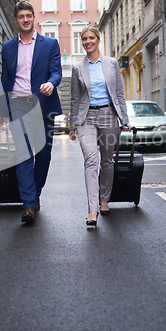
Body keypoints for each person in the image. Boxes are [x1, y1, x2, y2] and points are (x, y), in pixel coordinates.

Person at [0, 1, 62, 223]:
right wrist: (0, 112)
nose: (25, 19)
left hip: (43, 104)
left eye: (29, 15)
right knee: (24, 156)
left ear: (34, 18)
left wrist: (51, 84)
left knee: (43, 155)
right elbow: (5, 80)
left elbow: (56, 72)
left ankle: (35, 193)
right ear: (15, 20)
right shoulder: (7, 47)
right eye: (21, 16)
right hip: (18, 105)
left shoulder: (50, 44)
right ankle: (28, 205)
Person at [69, 25, 131, 226]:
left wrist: (125, 119)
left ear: (98, 40)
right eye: (84, 39)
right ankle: (93, 209)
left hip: (108, 114)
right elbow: (75, 99)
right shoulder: (78, 68)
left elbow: (119, 94)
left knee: (107, 161)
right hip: (86, 117)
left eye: (91, 38)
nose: (88, 42)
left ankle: (105, 199)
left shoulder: (112, 64)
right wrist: (72, 125)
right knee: (90, 160)